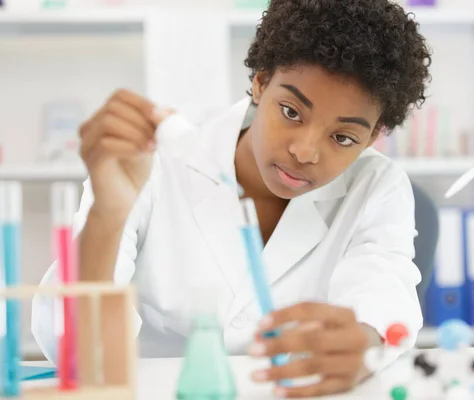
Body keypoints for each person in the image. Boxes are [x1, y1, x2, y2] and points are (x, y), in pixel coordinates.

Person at [32, 0, 431, 397]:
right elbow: (70, 352)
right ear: (260, 83)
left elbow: (383, 293)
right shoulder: (153, 161)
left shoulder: (377, 186)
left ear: (375, 134)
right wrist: (108, 214)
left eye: (343, 137)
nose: (306, 151)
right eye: (291, 111)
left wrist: (364, 340)